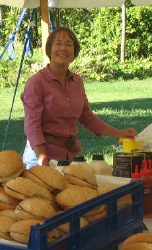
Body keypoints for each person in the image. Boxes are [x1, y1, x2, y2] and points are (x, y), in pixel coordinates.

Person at [21, 27, 137, 168]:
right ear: (49, 48)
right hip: (39, 158)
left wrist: (120, 133)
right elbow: (32, 126)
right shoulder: (36, 82)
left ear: (74, 51)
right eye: (58, 43)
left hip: (69, 157)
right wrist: (43, 161)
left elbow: (87, 117)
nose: (63, 48)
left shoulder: (77, 82)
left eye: (69, 44)